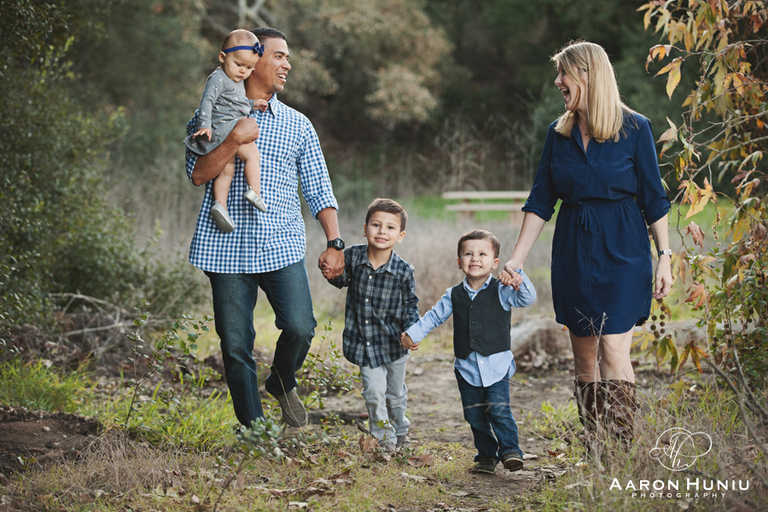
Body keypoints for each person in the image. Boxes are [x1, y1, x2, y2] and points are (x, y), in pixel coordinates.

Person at [501, 41, 673, 447]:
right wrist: (516, 260)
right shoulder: (558, 134)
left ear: (588, 75)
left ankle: (622, 448)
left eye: (564, 73)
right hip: (574, 251)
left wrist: (664, 257)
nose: (557, 81)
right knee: (584, 354)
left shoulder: (636, 128)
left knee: (612, 347)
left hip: (624, 249)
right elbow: (541, 200)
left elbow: (654, 199)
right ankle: (596, 446)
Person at [185, 27, 345, 430]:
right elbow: (198, 174)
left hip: (280, 244)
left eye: (288, 57)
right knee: (236, 346)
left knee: (300, 328)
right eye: (279, 56)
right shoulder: (207, 117)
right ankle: (255, 431)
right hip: (225, 249)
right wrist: (233, 139)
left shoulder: (297, 124)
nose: (287, 64)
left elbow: (319, 188)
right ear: (252, 60)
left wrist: (335, 241)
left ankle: (281, 380)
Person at [402, 229, 536, 474]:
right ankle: (486, 456)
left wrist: (517, 276)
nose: (475, 258)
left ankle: (510, 451)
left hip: (497, 367)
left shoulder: (502, 290)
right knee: (474, 415)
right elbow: (433, 317)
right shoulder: (453, 294)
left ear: (495, 262)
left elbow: (527, 298)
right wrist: (413, 334)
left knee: (498, 409)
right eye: (468, 254)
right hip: (467, 368)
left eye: (482, 254)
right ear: (459, 262)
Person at [324, 198, 420, 451]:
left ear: (400, 236)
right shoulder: (352, 257)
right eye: (376, 225)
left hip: (394, 344)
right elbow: (340, 278)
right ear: (365, 229)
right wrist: (330, 271)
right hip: (364, 343)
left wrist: (413, 331)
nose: (382, 231)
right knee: (374, 393)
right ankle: (383, 437)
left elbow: (411, 305)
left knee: (395, 395)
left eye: (390, 227)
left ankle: (400, 431)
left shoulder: (404, 271)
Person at [184, 29, 268, 233]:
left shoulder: (234, 80)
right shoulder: (218, 78)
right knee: (253, 156)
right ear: (222, 57)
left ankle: (220, 205)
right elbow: (207, 101)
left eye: (249, 68)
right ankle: (254, 192)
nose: (243, 71)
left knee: (226, 169)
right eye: (239, 64)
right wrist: (204, 125)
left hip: (223, 131)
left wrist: (252, 104)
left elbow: (235, 102)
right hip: (226, 128)